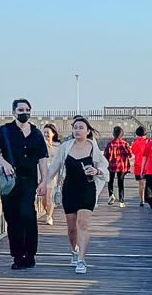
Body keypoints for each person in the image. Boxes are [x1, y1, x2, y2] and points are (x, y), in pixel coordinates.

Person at [45, 115, 109, 274]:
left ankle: (82, 260)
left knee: (83, 224)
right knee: (72, 227)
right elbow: (53, 167)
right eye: (75, 128)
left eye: (81, 128)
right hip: (69, 189)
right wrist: (43, 183)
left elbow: (104, 167)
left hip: (87, 189)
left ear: (88, 131)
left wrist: (96, 171)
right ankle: (74, 250)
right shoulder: (65, 147)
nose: (77, 130)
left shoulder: (93, 148)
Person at [0, 98, 49, 270]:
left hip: (29, 180)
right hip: (11, 182)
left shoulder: (37, 133)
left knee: (28, 215)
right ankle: (18, 256)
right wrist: (5, 164)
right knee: (12, 218)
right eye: (20, 110)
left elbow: (43, 159)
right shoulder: (5, 131)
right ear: (13, 112)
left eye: (27, 110)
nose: (24, 113)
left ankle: (30, 255)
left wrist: (44, 180)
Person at [38, 124, 61, 225]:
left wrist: (60, 177)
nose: (46, 134)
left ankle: (50, 216)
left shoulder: (58, 147)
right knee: (42, 197)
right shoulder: (40, 145)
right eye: (45, 132)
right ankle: (46, 212)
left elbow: (60, 162)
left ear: (53, 134)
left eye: (48, 132)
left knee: (49, 197)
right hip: (41, 173)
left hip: (52, 174)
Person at [103, 126, 131, 208]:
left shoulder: (110, 144)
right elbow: (129, 154)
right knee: (121, 183)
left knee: (110, 181)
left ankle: (111, 195)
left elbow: (105, 155)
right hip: (121, 165)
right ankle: (121, 201)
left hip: (111, 165)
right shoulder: (125, 143)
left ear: (113, 134)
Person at [130, 126, 149, 207]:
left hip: (138, 164)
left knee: (141, 184)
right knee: (148, 183)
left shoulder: (135, 143)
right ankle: (150, 198)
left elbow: (133, 152)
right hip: (148, 165)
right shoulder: (149, 142)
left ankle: (142, 200)